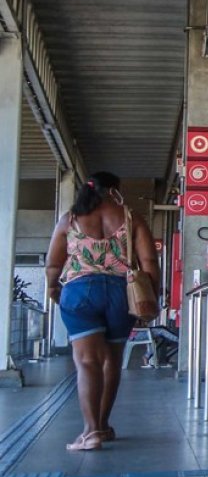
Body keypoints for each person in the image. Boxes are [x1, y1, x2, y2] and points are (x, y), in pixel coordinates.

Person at [44, 172, 159, 451]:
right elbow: (149, 262)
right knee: (111, 362)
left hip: (80, 292)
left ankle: (90, 431)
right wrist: (149, 298)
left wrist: (53, 289)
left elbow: (53, 264)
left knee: (87, 362)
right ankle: (103, 426)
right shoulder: (131, 217)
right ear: (114, 191)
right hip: (121, 294)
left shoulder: (70, 219)